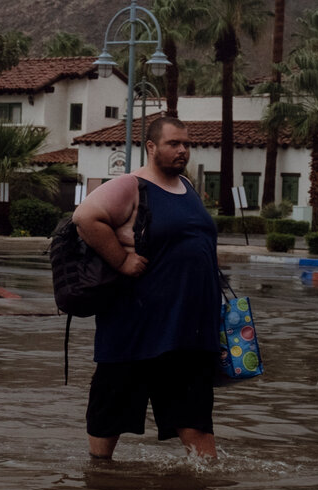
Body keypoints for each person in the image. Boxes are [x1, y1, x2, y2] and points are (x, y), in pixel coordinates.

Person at [72, 115, 221, 460]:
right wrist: (122, 261)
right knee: (108, 422)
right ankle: (99, 479)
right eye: (174, 143)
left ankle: (204, 482)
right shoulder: (130, 185)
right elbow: (84, 217)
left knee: (196, 422)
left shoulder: (187, 188)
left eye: (186, 144)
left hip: (187, 332)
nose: (182, 150)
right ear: (151, 147)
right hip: (134, 330)